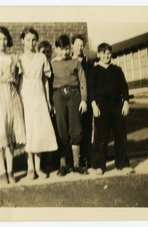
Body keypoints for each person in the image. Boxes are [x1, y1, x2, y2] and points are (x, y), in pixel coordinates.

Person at [0, 26, 26, 184]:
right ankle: (2, 171)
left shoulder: (14, 58)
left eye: (4, 39)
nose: (2, 42)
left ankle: (10, 170)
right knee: (0, 134)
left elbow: (20, 79)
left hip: (11, 94)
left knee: (10, 135)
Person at [89, 43, 135, 175]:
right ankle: (99, 166)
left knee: (120, 135)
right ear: (98, 55)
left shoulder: (117, 70)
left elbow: (124, 88)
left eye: (108, 53)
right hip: (101, 107)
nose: (106, 56)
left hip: (117, 106)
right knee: (101, 137)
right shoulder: (94, 71)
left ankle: (123, 164)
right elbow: (91, 90)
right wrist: (93, 105)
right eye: (103, 53)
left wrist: (126, 102)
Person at [19, 28, 57, 179]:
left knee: (39, 130)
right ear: (22, 40)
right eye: (28, 39)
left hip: (39, 94)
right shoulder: (19, 58)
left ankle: (38, 167)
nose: (31, 43)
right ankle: (30, 168)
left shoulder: (42, 57)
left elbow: (45, 80)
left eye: (34, 40)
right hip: (25, 95)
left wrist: (48, 100)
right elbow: (17, 81)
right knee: (29, 130)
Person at [50, 34, 88, 176]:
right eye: (62, 49)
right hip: (58, 96)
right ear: (56, 49)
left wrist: (84, 99)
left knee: (76, 128)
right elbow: (48, 84)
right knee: (61, 129)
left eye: (67, 49)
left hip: (74, 95)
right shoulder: (52, 64)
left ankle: (76, 165)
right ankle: (63, 165)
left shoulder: (76, 62)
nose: (66, 52)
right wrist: (51, 103)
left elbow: (82, 81)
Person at [71, 34, 93, 169]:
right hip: (73, 100)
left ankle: (86, 159)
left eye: (81, 45)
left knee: (86, 128)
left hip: (86, 100)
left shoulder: (88, 62)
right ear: (73, 45)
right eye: (77, 45)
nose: (79, 47)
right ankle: (73, 161)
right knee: (75, 130)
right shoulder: (68, 61)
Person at [38, 40, 59, 172]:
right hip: (42, 101)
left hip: (55, 100)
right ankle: (44, 163)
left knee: (56, 131)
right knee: (44, 131)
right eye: (43, 52)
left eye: (48, 51)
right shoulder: (40, 66)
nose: (45, 54)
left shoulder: (54, 65)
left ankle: (57, 162)